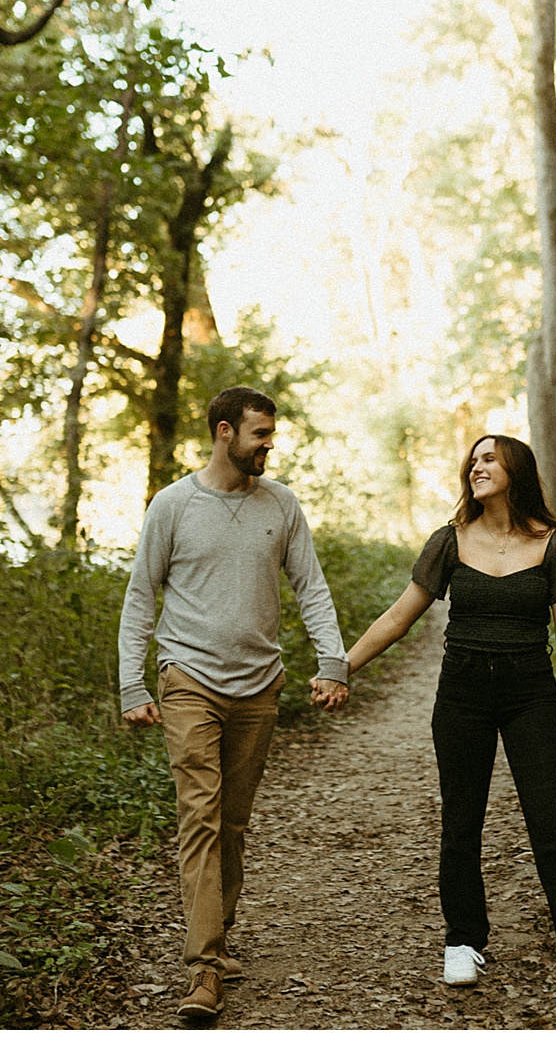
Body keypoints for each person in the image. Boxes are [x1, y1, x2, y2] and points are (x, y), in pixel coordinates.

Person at [344, 433, 556, 1011]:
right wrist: (339, 668)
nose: (477, 467)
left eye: (489, 458)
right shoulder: (449, 541)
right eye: (472, 461)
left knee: (554, 823)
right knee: (461, 817)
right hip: (462, 693)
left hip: (530, 693)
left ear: (516, 469)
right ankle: (464, 939)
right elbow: (400, 617)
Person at [118, 385, 351, 1020]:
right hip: (188, 677)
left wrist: (334, 661)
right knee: (201, 818)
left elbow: (311, 588)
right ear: (225, 432)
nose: (269, 446)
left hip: (259, 684)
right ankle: (203, 970)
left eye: (270, 435)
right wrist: (131, 683)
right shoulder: (173, 505)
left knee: (234, 825)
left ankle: (213, 942)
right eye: (260, 435)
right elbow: (141, 595)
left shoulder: (282, 504)